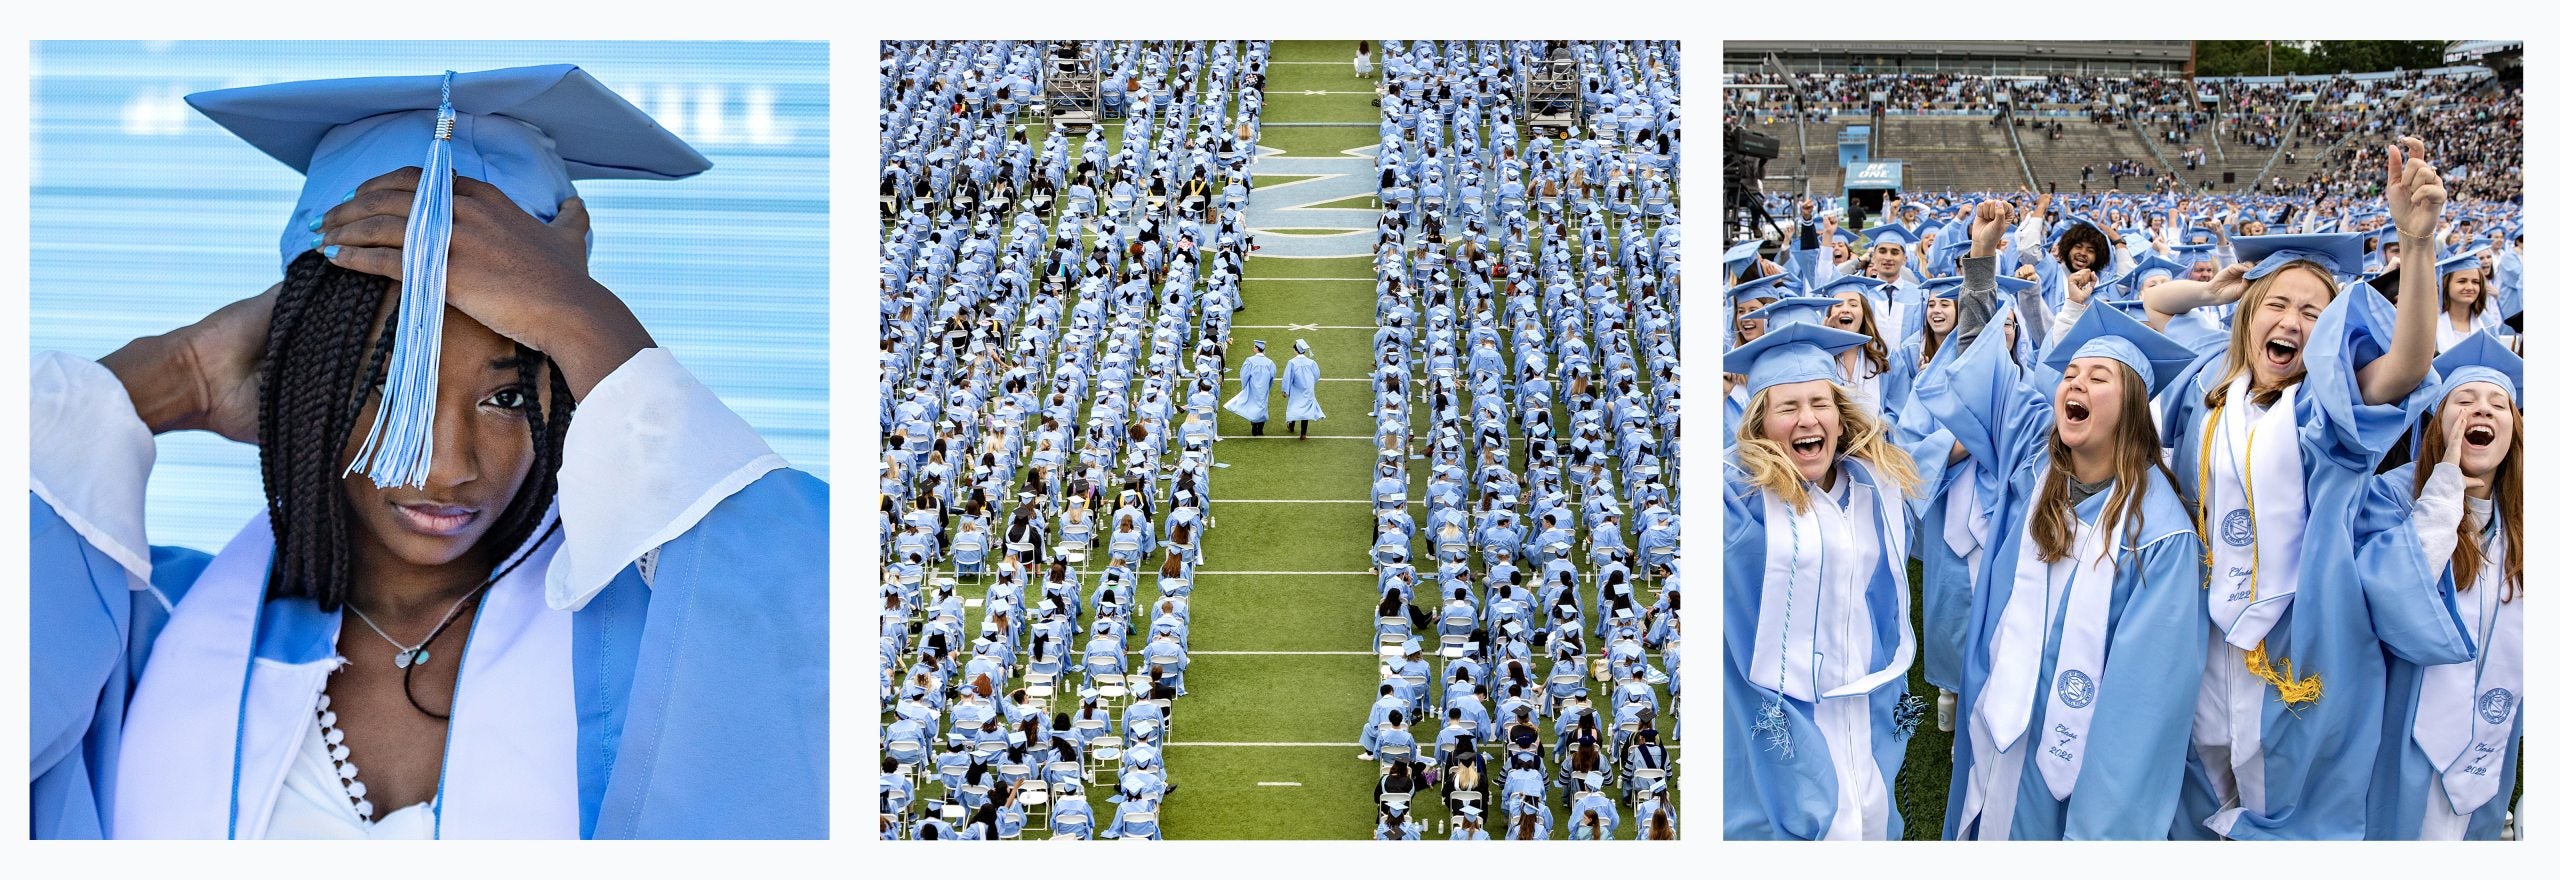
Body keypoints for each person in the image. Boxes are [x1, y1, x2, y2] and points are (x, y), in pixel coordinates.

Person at [29, 65, 827, 840]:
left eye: (508, 396)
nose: (448, 466)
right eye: (385, 388)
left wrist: (589, 324)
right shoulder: (138, 632)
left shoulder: (664, 646)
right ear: (312, 375)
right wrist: (176, 376)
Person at [2143, 137, 2464, 839]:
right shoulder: (2205, 390)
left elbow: (2406, 367)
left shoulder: (2326, 407)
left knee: (2283, 788)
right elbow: (2154, 305)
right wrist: (2214, 289)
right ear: (2249, 314)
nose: (2290, 322)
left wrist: (2416, 245)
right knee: (2200, 772)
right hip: (2200, 627)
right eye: (2276, 305)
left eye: (2313, 313)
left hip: (2297, 632)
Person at [1917, 230, 2209, 839]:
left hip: (2069, 767)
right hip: (1996, 726)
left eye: (2098, 377)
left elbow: (2145, 703)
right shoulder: (2032, 464)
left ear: (2131, 407)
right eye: (2069, 373)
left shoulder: (2158, 534)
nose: (2074, 383)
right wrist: (1981, 265)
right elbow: (1983, 377)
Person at [1722, 300, 1932, 840]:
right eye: (1787, 407)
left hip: (1862, 686)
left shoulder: (1875, 487)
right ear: (1761, 425)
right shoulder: (1739, 502)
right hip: (1782, 704)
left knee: (1869, 813)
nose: (1807, 418)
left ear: (1841, 415)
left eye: (1820, 402)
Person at [2359, 335, 2524, 840]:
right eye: (2465, 400)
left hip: (2491, 735)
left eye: (2500, 404)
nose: (2484, 410)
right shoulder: (2391, 496)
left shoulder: (2527, 519)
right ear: (2436, 422)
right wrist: (2445, 490)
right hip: (2402, 723)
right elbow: (2390, 597)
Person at [1225, 339, 1276, 435]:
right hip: (1264, 388)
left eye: (1254, 347)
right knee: (1262, 406)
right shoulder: (1270, 362)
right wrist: (1268, 387)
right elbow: (1272, 376)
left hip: (1252, 387)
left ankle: (1254, 427)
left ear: (1257, 348)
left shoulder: (1250, 360)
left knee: (1252, 405)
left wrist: (1245, 386)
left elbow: (1244, 375)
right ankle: (1260, 429)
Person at [1283, 338, 1325, 440]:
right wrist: (1310, 383)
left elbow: (1287, 377)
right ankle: (1303, 434)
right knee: (1306, 410)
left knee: (1294, 406)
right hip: (1307, 390)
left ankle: (1291, 427)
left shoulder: (1292, 362)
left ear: (1296, 350)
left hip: (1296, 389)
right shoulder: (1311, 362)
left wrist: (1285, 390)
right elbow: (1316, 375)